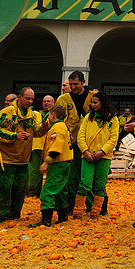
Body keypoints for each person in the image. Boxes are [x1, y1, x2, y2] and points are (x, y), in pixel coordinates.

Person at [0, 88, 41, 221]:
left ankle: (14, 215)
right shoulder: (7, 112)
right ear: (19, 97)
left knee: (20, 189)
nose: (30, 102)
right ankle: (0, 216)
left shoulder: (32, 115)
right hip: (7, 159)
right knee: (4, 188)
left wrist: (46, 125)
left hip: (24, 159)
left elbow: (37, 132)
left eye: (32, 99)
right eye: (27, 98)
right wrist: (15, 136)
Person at [55, 71, 97, 215]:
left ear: (83, 82)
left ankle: (92, 206)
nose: (73, 87)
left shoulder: (93, 97)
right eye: (71, 84)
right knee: (71, 176)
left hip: (89, 143)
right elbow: (57, 119)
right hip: (70, 142)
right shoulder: (63, 99)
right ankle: (70, 206)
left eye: (76, 84)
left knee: (87, 176)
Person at [77, 90, 121, 218]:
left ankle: (96, 212)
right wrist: (85, 151)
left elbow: (114, 138)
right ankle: (78, 212)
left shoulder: (113, 119)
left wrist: (102, 152)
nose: (93, 105)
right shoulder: (88, 117)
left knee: (100, 185)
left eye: (95, 102)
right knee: (84, 183)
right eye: (92, 103)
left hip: (104, 157)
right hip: (87, 156)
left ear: (103, 103)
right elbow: (81, 136)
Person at [31, 104, 73, 227]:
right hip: (65, 162)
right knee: (60, 191)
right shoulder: (62, 126)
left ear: (53, 115)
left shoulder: (57, 128)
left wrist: (46, 162)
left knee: (48, 191)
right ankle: (62, 216)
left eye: (49, 114)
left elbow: (56, 147)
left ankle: (46, 220)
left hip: (58, 163)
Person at [27, 95, 56, 197]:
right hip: (37, 146)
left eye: (48, 101)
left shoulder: (56, 116)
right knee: (34, 171)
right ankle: (32, 193)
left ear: (54, 103)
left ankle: (47, 194)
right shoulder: (37, 114)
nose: (46, 103)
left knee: (50, 171)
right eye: (44, 101)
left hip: (50, 147)